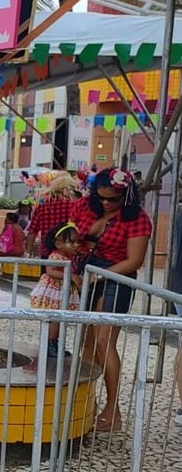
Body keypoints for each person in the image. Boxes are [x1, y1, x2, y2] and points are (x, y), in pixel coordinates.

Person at [71, 168, 152, 432]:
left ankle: (112, 408)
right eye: (102, 197)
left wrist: (99, 276)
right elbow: (69, 236)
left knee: (106, 343)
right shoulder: (85, 205)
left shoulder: (137, 218)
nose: (106, 203)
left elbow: (135, 260)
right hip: (88, 273)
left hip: (117, 276)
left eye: (112, 199)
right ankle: (87, 403)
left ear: (126, 196)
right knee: (88, 342)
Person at [27, 221, 82, 365]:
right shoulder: (55, 257)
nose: (77, 245)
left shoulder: (69, 258)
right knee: (55, 319)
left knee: (59, 319)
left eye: (78, 242)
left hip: (62, 291)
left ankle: (55, 343)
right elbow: (50, 271)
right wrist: (71, 277)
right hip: (54, 291)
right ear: (58, 244)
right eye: (72, 242)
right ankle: (50, 344)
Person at [25, 174, 80, 256]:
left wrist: (28, 253)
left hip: (47, 253)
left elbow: (32, 232)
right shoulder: (75, 205)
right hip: (69, 253)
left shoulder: (42, 207)